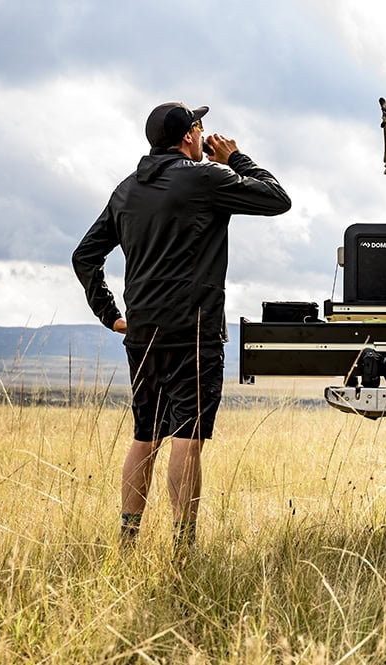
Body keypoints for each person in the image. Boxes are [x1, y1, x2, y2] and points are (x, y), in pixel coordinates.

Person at [72, 101, 291, 551]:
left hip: (142, 331)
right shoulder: (207, 179)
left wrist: (111, 314)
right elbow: (276, 198)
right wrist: (233, 159)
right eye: (201, 128)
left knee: (144, 435)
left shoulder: (126, 190)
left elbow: (85, 256)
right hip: (195, 331)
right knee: (187, 440)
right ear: (190, 135)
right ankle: (182, 545)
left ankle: (128, 540)